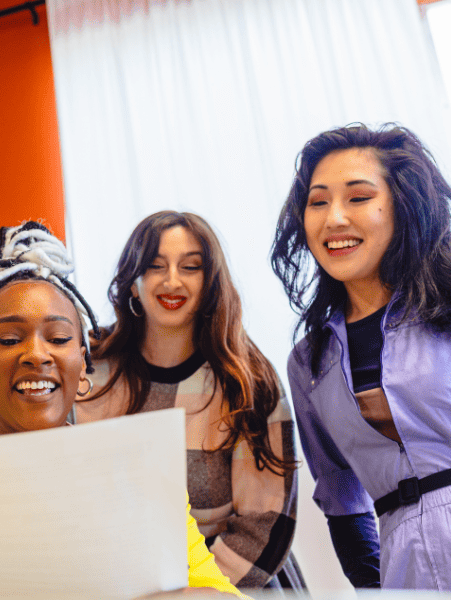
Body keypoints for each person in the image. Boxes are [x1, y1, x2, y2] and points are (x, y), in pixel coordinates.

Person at [0, 222, 246, 599]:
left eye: (59, 338)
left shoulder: (141, 479)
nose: (36, 354)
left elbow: (220, 593)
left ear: (82, 367)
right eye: (10, 339)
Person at [270, 123, 451, 590]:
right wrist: (376, 589)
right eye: (318, 202)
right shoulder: (310, 362)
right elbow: (341, 500)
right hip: (406, 570)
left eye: (358, 197)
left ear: (402, 204)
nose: (334, 219)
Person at [75, 211, 299, 590]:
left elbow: (263, 526)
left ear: (210, 282)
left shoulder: (249, 382)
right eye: (155, 265)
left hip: (226, 589)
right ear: (133, 283)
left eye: (190, 267)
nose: (172, 281)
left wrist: (192, 595)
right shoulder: (87, 367)